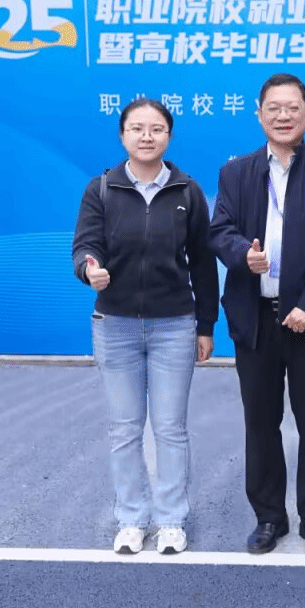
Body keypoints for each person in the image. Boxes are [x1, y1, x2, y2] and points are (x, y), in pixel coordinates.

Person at [209, 73, 305, 557]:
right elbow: (220, 229)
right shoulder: (236, 172)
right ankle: (269, 517)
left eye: (293, 108)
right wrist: (241, 255)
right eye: (274, 108)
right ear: (259, 114)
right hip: (255, 319)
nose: (283, 116)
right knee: (261, 424)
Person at [71, 98, 218, 555]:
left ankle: (171, 520)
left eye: (156, 129)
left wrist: (206, 325)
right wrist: (89, 269)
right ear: (123, 136)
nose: (147, 136)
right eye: (137, 128)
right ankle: (132, 519)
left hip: (174, 325)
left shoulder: (187, 192)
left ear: (169, 136)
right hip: (115, 326)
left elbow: (204, 264)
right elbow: (85, 245)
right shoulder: (102, 189)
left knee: (170, 428)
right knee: (125, 429)